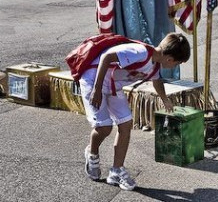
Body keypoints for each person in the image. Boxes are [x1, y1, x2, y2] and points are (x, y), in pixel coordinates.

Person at [79, 33, 190, 190]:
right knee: (104, 127)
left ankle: (116, 171)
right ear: (169, 59)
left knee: (126, 123)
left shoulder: (155, 66)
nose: (174, 67)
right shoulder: (140, 52)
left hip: (112, 85)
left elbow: (157, 81)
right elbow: (106, 58)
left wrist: (165, 100)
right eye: (177, 63)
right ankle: (92, 153)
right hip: (93, 79)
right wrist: (96, 89)